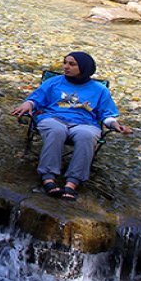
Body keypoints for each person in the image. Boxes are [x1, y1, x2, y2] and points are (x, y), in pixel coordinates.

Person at [10, 52, 132, 201]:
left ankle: (72, 182)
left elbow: (107, 115)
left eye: (72, 64)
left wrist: (115, 125)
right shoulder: (54, 82)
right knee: (56, 130)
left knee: (87, 135)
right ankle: (48, 177)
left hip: (85, 123)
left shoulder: (100, 90)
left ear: (84, 68)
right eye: (65, 63)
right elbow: (36, 99)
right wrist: (28, 104)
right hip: (53, 118)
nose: (66, 67)